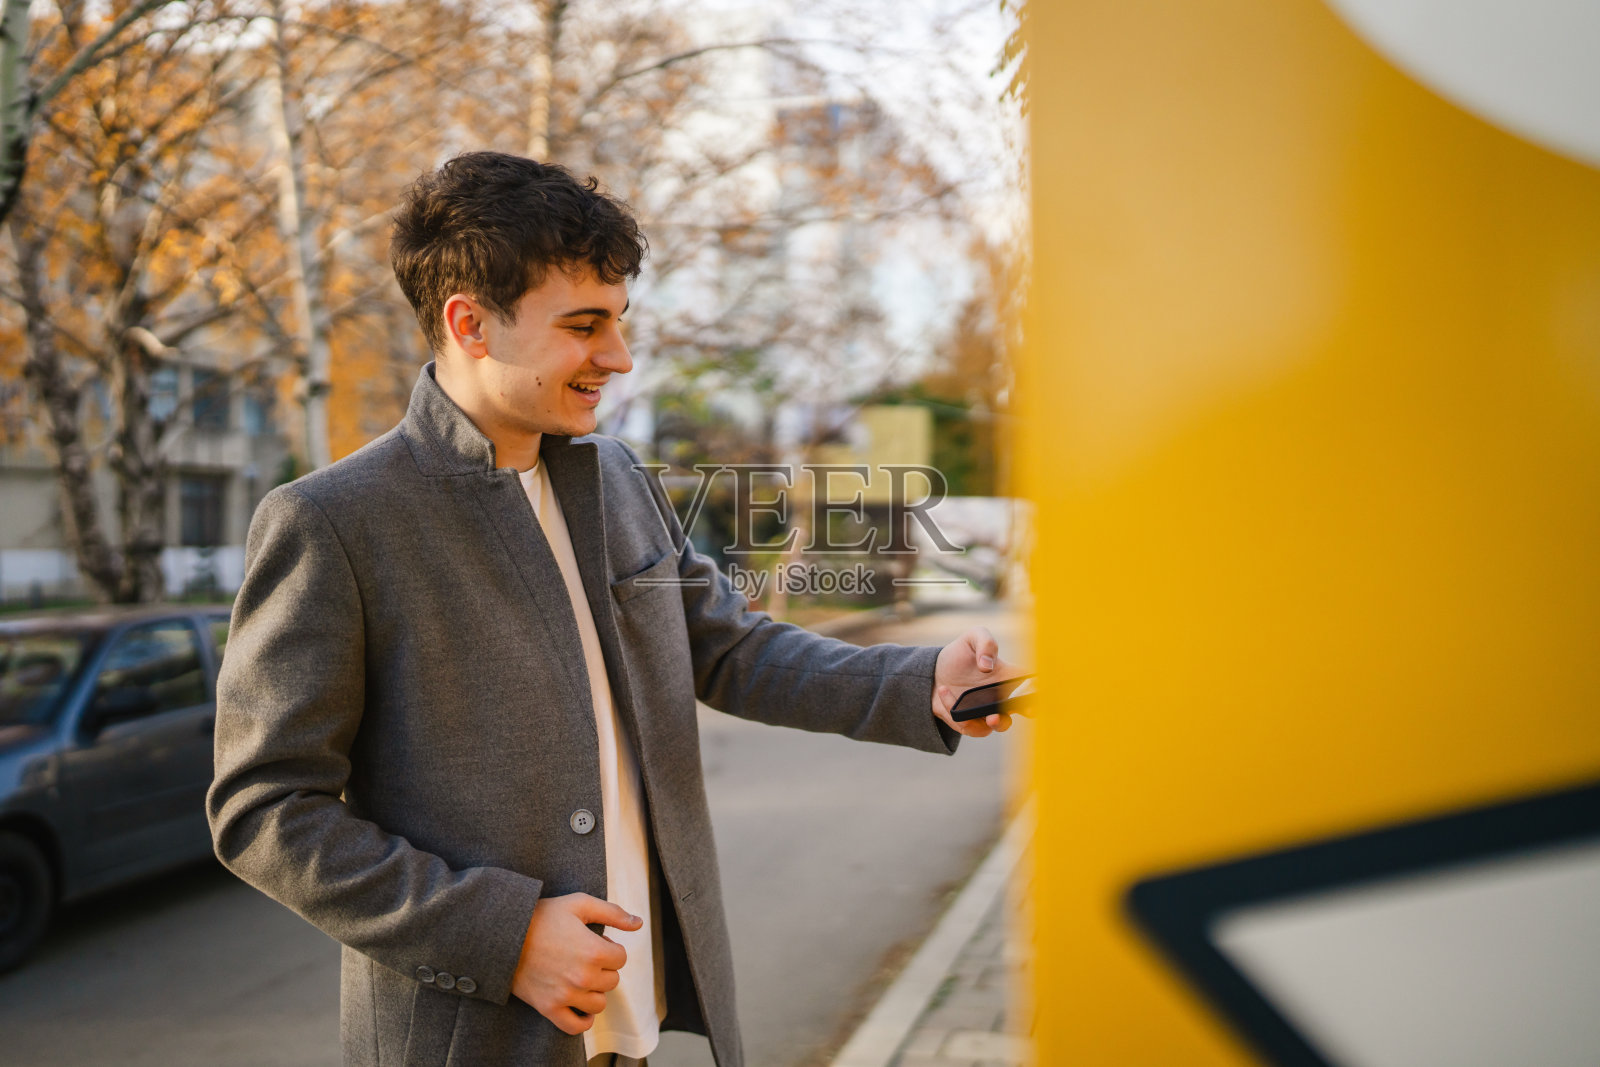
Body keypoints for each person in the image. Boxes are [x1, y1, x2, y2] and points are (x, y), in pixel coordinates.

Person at [206, 151, 1016, 1067]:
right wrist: (501, 933)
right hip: (471, 1039)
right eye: (585, 326)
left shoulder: (620, 477)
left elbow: (728, 648)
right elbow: (265, 807)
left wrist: (919, 680)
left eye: (620, 322)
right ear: (470, 323)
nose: (619, 358)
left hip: (634, 1020)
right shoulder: (333, 521)